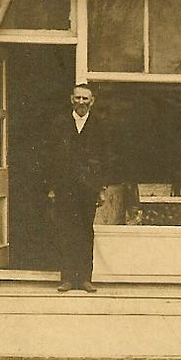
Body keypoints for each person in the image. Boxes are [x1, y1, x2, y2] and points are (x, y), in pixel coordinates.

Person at [48, 83, 106, 293]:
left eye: (85, 98)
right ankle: (68, 278)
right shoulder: (60, 123)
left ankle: (84, 279)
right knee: (66, 232)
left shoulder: (99, 125)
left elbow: (104, 158)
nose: (81, 102)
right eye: (78, 98)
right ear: (71, 99)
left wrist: (100, 189)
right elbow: (52, 158)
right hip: (65, 187)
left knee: (85, 231)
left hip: (88, 188)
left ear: (92, 101)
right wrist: (52, 187)